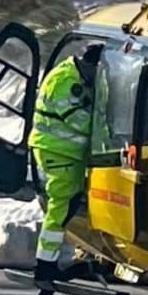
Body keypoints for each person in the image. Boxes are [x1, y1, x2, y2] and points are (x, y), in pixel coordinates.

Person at [29, 44, 102, 282]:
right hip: (59, 153)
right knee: (61, 205)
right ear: (89, 67)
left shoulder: (69, 74)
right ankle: (45, 264)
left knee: (67, 204)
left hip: (63, 152)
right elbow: (80, 121)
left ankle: (49, 261)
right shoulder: (65, 83)